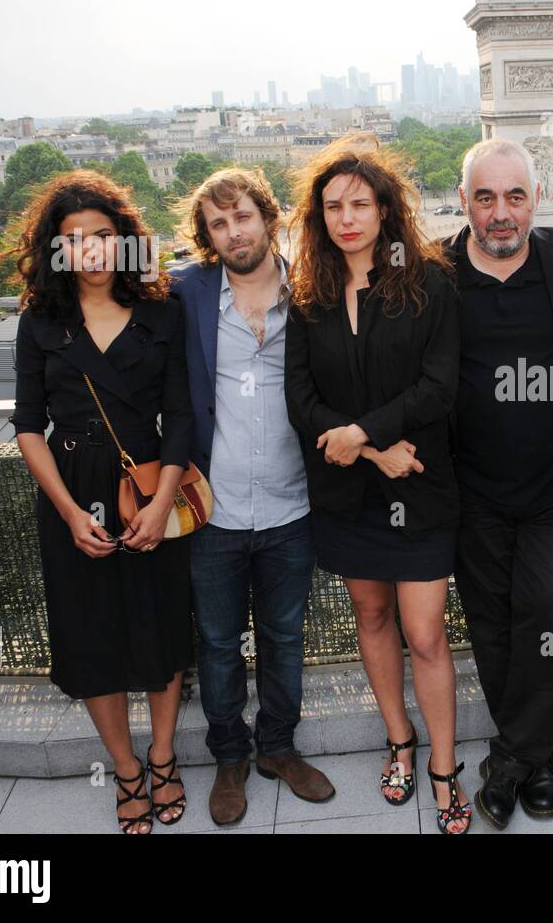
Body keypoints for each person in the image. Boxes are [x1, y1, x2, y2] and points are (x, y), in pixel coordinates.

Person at [284, 135, 471, 834]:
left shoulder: (428, 280)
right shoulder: (307, 291)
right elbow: (299, 401)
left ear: (386, 209)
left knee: (424, 633)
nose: (346, 217)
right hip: (351, 492)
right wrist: (369, 453)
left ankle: (446, 765)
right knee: (371, 618)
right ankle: (400, 739)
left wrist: (366, 436)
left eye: (360, 202)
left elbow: (440, 386)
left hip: (419, 480)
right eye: (332, 205)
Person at [6, 170, 193, 834]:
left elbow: (184, 415)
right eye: (73, 238)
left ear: (124, 241)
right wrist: (66, 512)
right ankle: (125, 770)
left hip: (149, 486)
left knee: (162, 630)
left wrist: (161, 501)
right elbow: (28, 424)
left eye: (102, 235)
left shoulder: (164, 311)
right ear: (57, 250)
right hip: (72, 493)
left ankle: (164, 757)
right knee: (94, 640)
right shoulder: (41, 322)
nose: (89, 248)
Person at [445, 138, 553, 830]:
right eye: (486, 197)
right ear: (464, 204)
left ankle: (513, 759)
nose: (501, 213)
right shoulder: (431, 274)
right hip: (469, 494)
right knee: (491, 629)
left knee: (547, 617)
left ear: (536, 200)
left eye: (514, 196)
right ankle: (534, 760)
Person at [168, 168, 331, 826]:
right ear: (207, 237)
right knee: (215, 639)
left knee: (285, 637)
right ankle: (229, 756)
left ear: (268, 217)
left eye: (242, 216)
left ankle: (278, 748)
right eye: (218, 223)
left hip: (294, 505)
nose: (233, 232)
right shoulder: (186, 294)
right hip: (215, 510)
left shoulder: (314, 290)